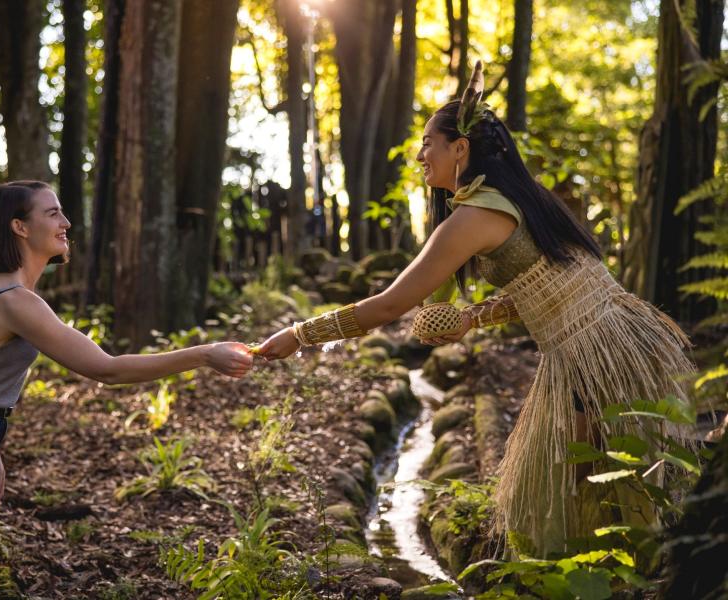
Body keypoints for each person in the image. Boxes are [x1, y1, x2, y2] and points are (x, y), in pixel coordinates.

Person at [257, 62, 695, 556]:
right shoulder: (518, 199)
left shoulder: (474, 216)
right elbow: (547, 287)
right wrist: (471, 317)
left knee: (593, 497)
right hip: (610, 343)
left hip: (597, 356)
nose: (421, 154)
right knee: (597, 492)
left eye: (428, 143)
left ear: (459, 148)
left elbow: (391, 305)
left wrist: (300, 334)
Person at [0, 180, 254, 599]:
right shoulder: (14, 300)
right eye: (52, 213)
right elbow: (107, 370)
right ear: (19, 226)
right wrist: (204, 355)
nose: (66, 222)